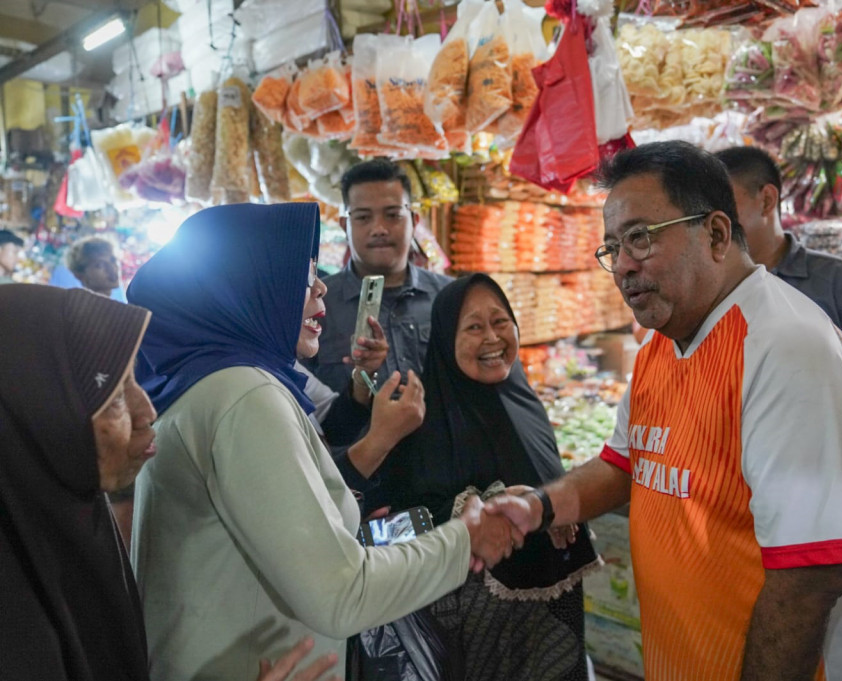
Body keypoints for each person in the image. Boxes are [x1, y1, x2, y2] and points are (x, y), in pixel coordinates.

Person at [487, 141, 842, 681]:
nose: (624, 266)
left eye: (641, 238)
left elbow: (810, 578)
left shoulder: (786, 346)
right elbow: (625, 464)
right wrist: (541, 505)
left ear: (717, 234)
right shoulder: (663, 343)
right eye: (613, 247)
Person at [126, 202, 517, 680]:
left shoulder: (199, 384)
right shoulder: (244, 394)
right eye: (303, 274)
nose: (320, 287)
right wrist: (466, 540)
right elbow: (341, 595)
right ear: (250, 286)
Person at [0, 284, 342, 681]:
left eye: (135, 381)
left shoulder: (73, 522)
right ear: (39, 411)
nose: (146, 412)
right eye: (113, 396)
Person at [340, 274, 600, 681]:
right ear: (446, 339)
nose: (492, 338)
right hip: (466, 644)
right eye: (474, 327)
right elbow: (377, 535)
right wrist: (468, 511)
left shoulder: (525, 403)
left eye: (500, 322)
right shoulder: (417, 425)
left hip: (549, 633)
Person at [716, 145, 842, 586]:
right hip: (729, 527)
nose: (711, 222)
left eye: (723, 205)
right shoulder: (707, 294)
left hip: (824, 531)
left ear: (766, 200)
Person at [309, 159, 452, 447]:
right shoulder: (314, 308)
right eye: (363, 217)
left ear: (414, 221)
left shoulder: (450, 300)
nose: (379, 229)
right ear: (345, 225)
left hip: (450, 477)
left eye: (392, 215)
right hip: (355, 483)